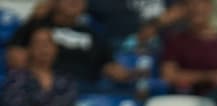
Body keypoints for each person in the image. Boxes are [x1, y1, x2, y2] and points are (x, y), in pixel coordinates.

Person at [6, 0, 136, 86]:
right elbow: (15, 55)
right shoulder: (37, 25)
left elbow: (109, 65)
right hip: (45, 90)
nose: (75, 1)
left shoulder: (94, 34)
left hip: (84, 90)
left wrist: (131, 74)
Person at [1, 26, 81, 106]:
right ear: (29, 49)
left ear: (56, 49)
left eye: (48, 43)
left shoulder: (66, 80)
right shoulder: (16, 77)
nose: (44, 48)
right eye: (38, 43)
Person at [160, 0, 217, 96]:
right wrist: (208, 77)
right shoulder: (176, 41)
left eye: (200, 3)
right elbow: (168, 75)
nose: (196, 8)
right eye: (191, 4)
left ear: (209, 6)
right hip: (190, 102)